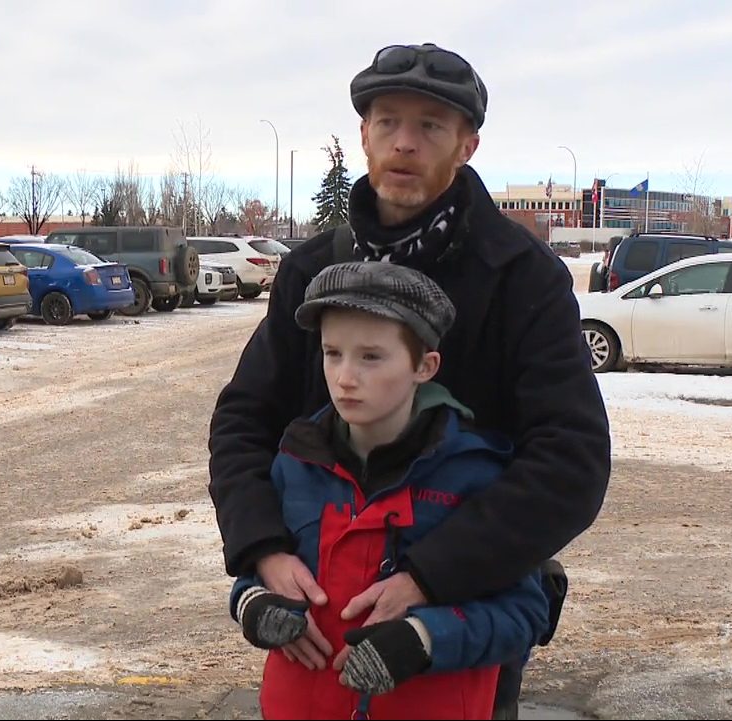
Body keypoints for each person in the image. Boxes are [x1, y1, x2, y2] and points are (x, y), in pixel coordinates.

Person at [209, 42, 611, 718]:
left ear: (467, 144)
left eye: (430, 125)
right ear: (364, 134)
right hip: (319, 639)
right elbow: (244, 421)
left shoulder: (521, 277)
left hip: (464, 622)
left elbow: (571, 461)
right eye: (388, 121)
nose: (404, 142)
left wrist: (430, 575)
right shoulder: (311, 272)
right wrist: (264, 551)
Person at [230, 261, 551, 719]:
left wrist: (424, 640)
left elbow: (524, 612)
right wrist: (254, 605)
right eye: (332, 353)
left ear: (425, 366)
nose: (345, 377)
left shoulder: (477, 475)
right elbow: (263, 573)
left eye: (371, 357)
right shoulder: (295, 461)